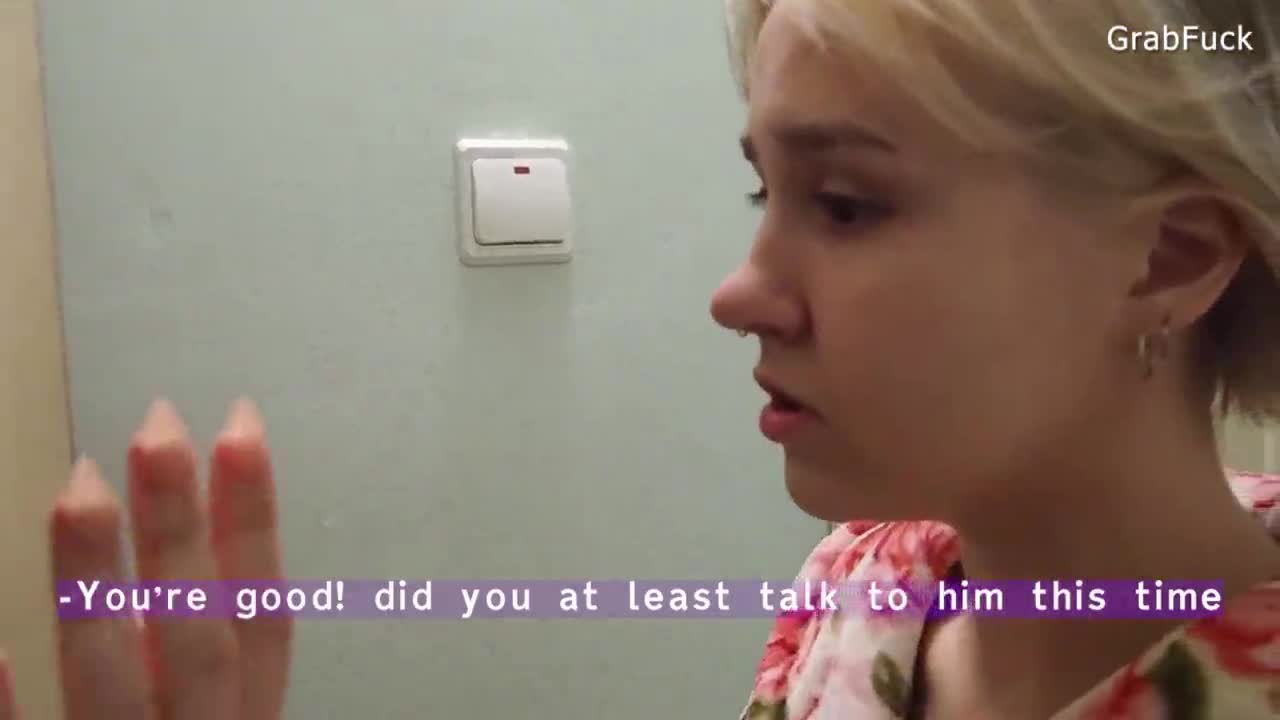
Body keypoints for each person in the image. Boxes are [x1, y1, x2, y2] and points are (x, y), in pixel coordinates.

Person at [3, 0, 1280, 717]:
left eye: (845, 204)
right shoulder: (856, 593)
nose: (737, 294)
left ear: (1167, 256)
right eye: (761, 192)